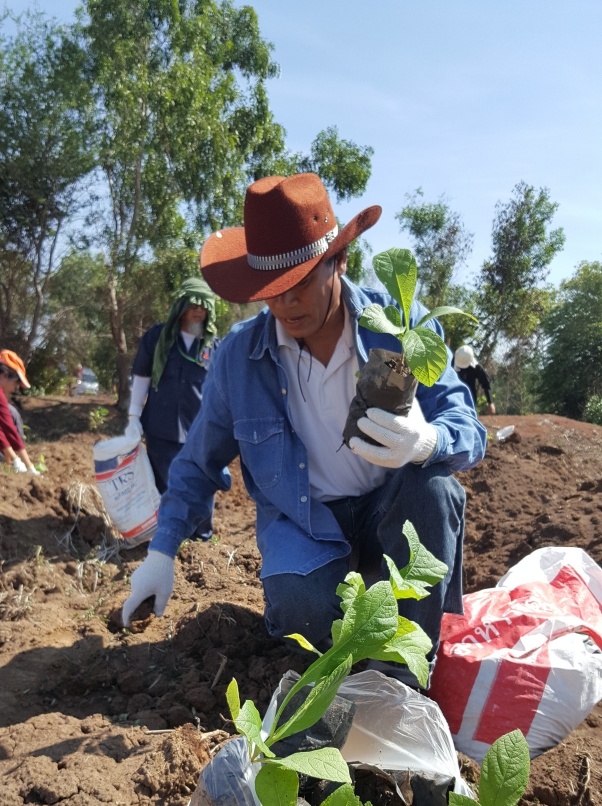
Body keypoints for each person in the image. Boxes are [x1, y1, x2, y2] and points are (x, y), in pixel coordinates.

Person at [123, 173, 487, 684]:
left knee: (435, 488)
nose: (286, 305)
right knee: (304, 611)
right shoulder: (239, 358)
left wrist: (428, 442)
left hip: (391, 508)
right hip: (308, 523)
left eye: (300, 284)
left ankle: (401, 678)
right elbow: (198, 463)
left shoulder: (399, 330)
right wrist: (162, 551)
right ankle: (346, 626)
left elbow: (466, 426)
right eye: (271, 292)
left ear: (339, 262)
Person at [125, 277, 219, 540]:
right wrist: (133, 415)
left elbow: (222, 389)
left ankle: (200, 539)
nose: (198, 311)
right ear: (181, 306)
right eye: (193, 305)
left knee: (202, 483)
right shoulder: (158, 337)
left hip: (200, 429)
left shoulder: (214, 345)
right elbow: (142, 376)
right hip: (161, 426)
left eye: (203, 306)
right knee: (165, 485)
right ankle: (167, 536)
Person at [453, 345, 496, 415]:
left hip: (470, 400)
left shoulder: (475, 367)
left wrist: (490, 402)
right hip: (453, 399)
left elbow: (486, 383)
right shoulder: (450, 365)